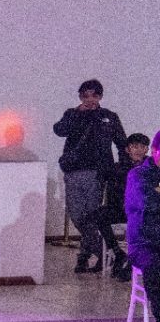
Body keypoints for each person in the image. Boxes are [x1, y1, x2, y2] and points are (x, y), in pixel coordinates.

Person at [53, 79, 128, 273]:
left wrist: (122, 170)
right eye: (85, 95)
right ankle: (107, 250)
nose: (90, 99)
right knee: (77, 215)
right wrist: (77, 113)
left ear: (100, 96)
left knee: (91, 216)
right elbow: (59, 130)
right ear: (80, 97)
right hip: (73, 171)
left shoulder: (109, 117)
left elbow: (122, 144)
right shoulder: (72, 114)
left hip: (98, 173)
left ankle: (84, 257)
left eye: (94, 95)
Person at [94, 132, 150, 280]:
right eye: (135, 146)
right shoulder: (118, 168)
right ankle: (118, 253)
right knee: (99, 214)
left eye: (143, 147)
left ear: (147, 149)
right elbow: (106, 184)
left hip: (143, 212)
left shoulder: (152, 168)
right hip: (122, 210)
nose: (139, 150)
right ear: (127, 149)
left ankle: (132, 264)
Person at [125, 130, 160, 322]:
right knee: (156, 266)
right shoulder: (138, 175)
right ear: (154, 151)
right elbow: (148, 204)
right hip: (144, 243)